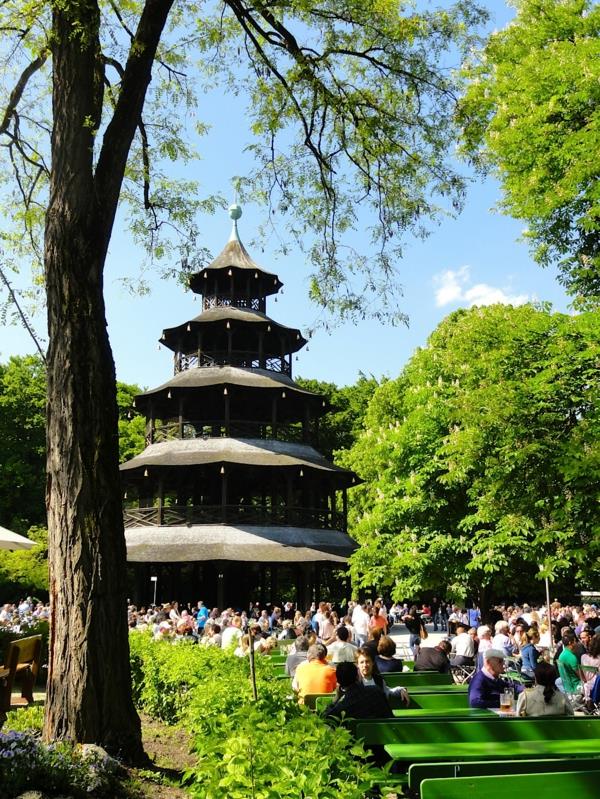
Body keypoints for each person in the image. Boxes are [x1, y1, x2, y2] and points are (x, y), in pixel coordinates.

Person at [324, 662, 393, 721]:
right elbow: (389, 715)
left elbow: (325, 717)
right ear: (357, 677)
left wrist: (337, 698)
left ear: (338, 682)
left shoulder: (341, 707)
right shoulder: (376, 691)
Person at [557, 630, 583, 695]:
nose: (576, 643)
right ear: (570, 643)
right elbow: (581, 677)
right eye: (574, 641)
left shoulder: (561, 655)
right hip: (575, 687)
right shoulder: (572, 657)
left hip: (567, 687)